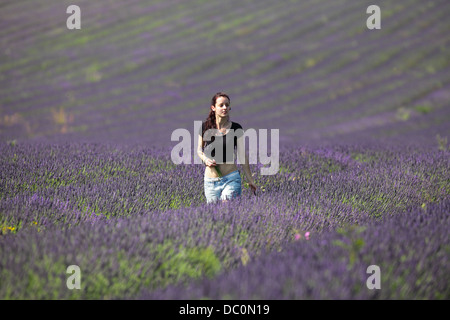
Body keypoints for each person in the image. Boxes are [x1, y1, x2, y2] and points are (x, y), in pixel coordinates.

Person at [197, 92, 257, 204]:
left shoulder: (236, 128)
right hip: (210, 182)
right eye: (221, 105)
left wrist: (250, 180)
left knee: (227, 209)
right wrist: (205, 160)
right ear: (213, 108)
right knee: (214, 215)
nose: (225, 108)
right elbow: (199, 150)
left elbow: (242, 155)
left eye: (227, 105)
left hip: (231, 178)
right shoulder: (205, 127)